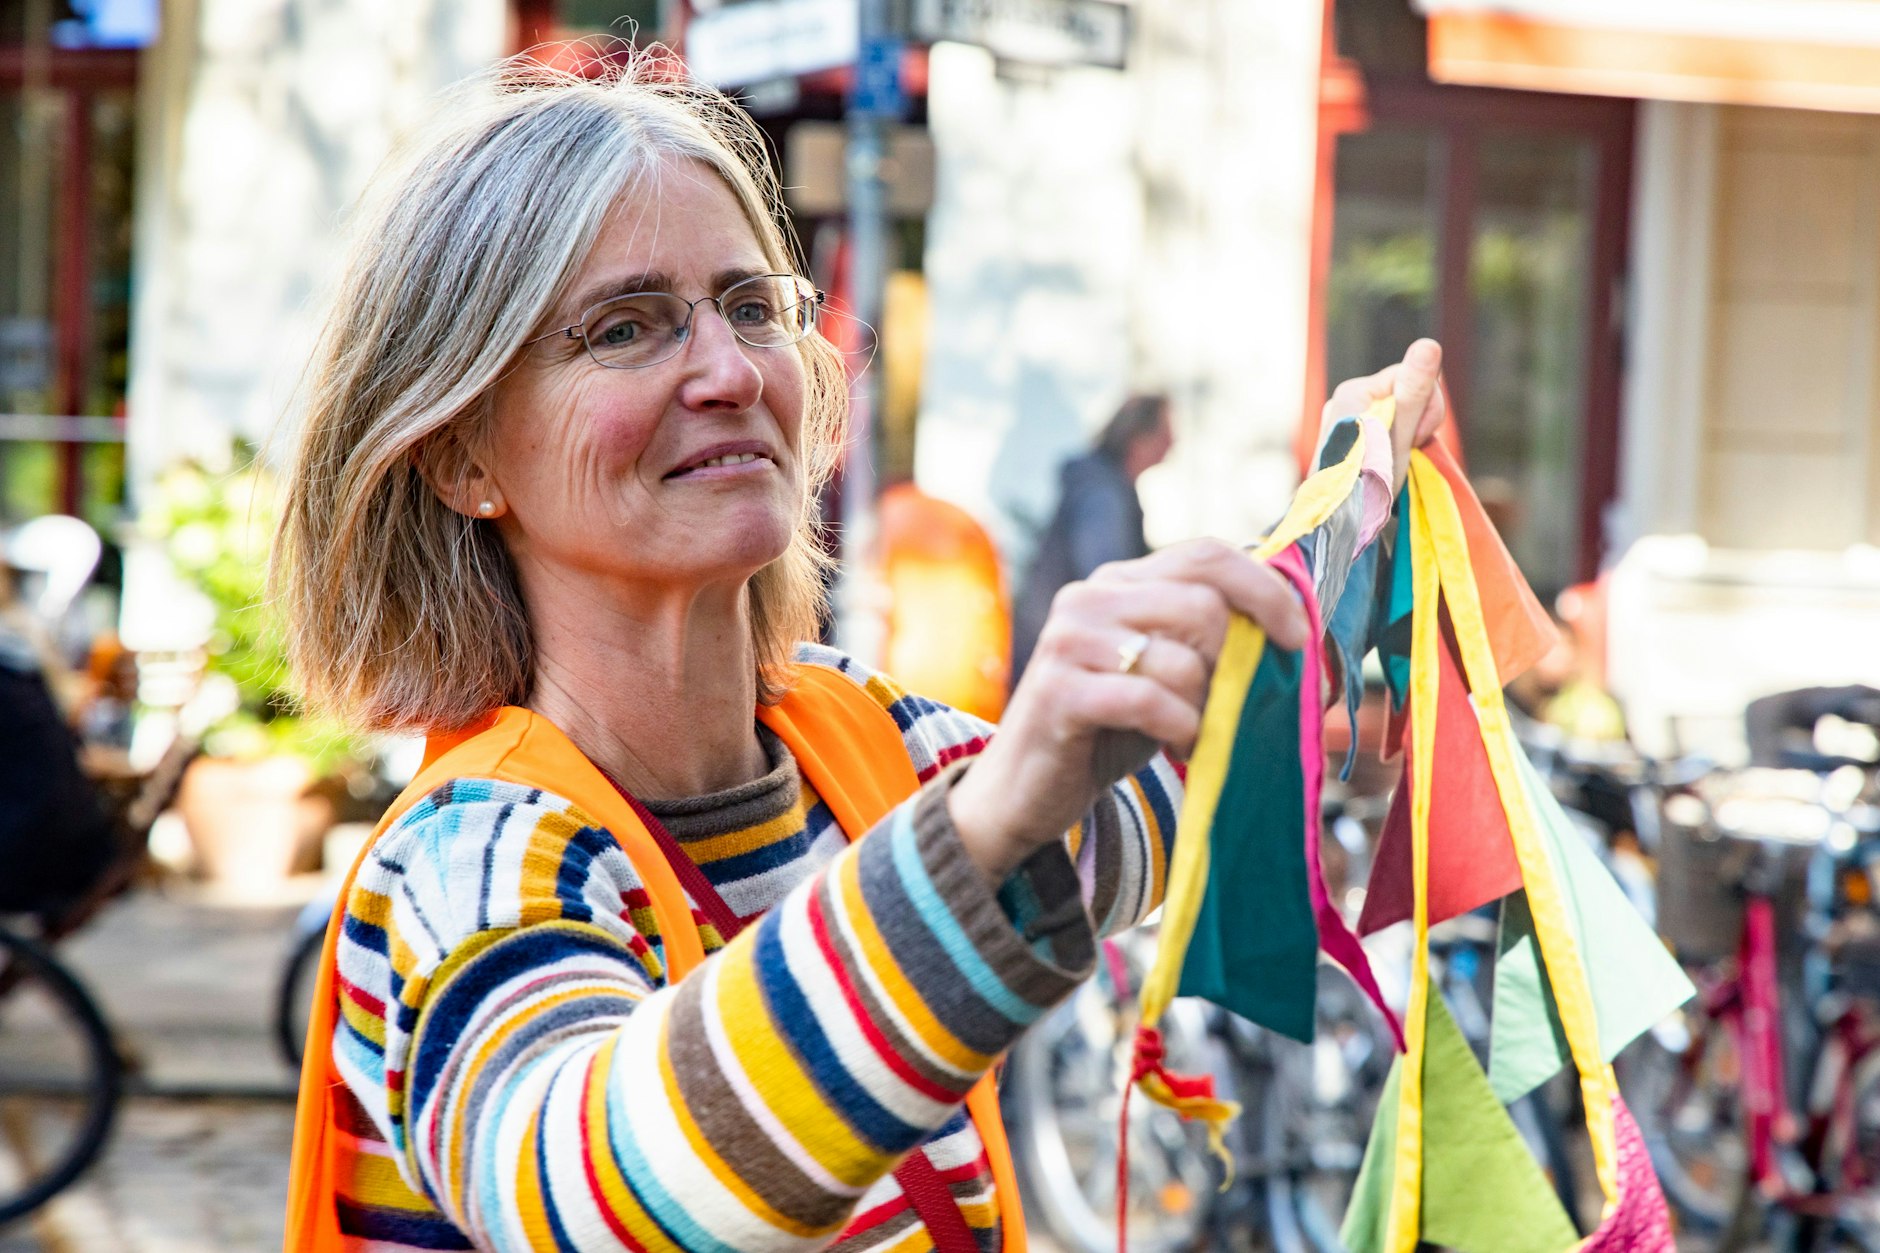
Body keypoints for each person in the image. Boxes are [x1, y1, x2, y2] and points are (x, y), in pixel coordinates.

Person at [275, 52, 1445, 1253]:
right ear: (465, 455)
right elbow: (612, 1193)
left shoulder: (877, 739)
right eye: (624, 328)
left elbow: (1189, 792)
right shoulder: (465, 862)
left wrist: (1348, 521)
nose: (730, 372)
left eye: (747, 306)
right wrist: (985, 822)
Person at [1010, 394, 1173, 684]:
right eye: (1167, 432)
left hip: (1049, 651)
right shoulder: (1103, 495)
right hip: (1053, 661)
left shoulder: (1104, 485)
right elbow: (1106, 579)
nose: (1174, 442)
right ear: (1139, 437)